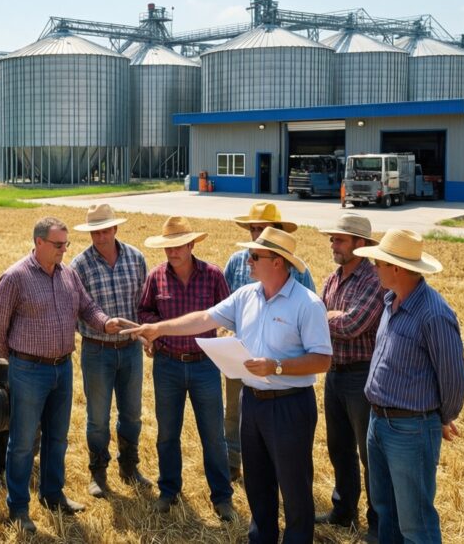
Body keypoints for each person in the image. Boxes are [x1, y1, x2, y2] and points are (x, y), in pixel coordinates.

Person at [126, 227, 332, 544]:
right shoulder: (246, 296)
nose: (247, 261)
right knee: (258, 484)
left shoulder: (307, 304)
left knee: (294, 487)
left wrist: (276, 366)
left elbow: (322, 360)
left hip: (290, 404)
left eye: (255, 256)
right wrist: (158, 329)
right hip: (253, 402)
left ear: (277, 262)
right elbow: (203, 319)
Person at [0, 216, 130, 533]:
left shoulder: (68, 274)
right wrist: (18, 361)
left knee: (57, 438)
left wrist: (105, 322)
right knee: (23, 443)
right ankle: (18, 508)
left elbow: (87, 307)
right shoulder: (15, 277)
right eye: (58, 244)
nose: (64, 250)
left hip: (62, 368)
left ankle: (52, 495)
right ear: (39, 242)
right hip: (29, 370)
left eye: (66, 244)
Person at [354, 229, 464, 543]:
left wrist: (441, 417)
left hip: (410, 430)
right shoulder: (390, 301)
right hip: (379, 422)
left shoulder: (434, 313)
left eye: (378, 263)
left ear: (397, 268)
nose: (374, 269)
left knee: (415, 523)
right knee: (386, 512)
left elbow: (454, 378)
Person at [136, 216, 238, 522]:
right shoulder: (156, 277)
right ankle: (169, 491)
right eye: (168, 246)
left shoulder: (213, 275)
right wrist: (153, 335)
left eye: (179, 245)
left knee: (213, 435)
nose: (172, 251)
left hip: (204, 364)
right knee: (167, 433)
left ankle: (222, 497)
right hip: (167, 364)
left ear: (192, 244)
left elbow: (229, 313)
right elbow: (144, 311)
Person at [222, 201, 315, 481]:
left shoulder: (297, 269)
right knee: (234, 411)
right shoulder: (236, 262)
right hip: (239, 354)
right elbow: (224, 304)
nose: (256, 233)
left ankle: (277, 466)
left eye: (262, 228)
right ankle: (233, 463)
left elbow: (309, 313)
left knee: (276, 415)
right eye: (253, 228)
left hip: (279, 359)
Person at [69, 204, 151, 498]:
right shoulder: (79, 266)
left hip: (130, 349)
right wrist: (100, 326)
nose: (101, 236)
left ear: (115, 228)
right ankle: (98, 472)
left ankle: (129, 467)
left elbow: (144, 303)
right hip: (96, 350)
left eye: (105, 230)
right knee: (97, 417)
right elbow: (76, 309)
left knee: (132, 414)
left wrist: (146, 335)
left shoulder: (136, 258)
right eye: (95, 232)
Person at [314, 214, 385, 542]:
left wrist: (326, 318)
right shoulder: (333, 279)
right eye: (333, 239)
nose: (333, 244)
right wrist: (330, 317)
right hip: (335, 373)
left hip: (362, 376)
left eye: (340, 239)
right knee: (339, 447)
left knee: (370, 454)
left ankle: (378, 523)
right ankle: (343, 511)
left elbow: (353, 325)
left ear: (361, 243)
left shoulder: (374, 280)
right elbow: (319, 319)